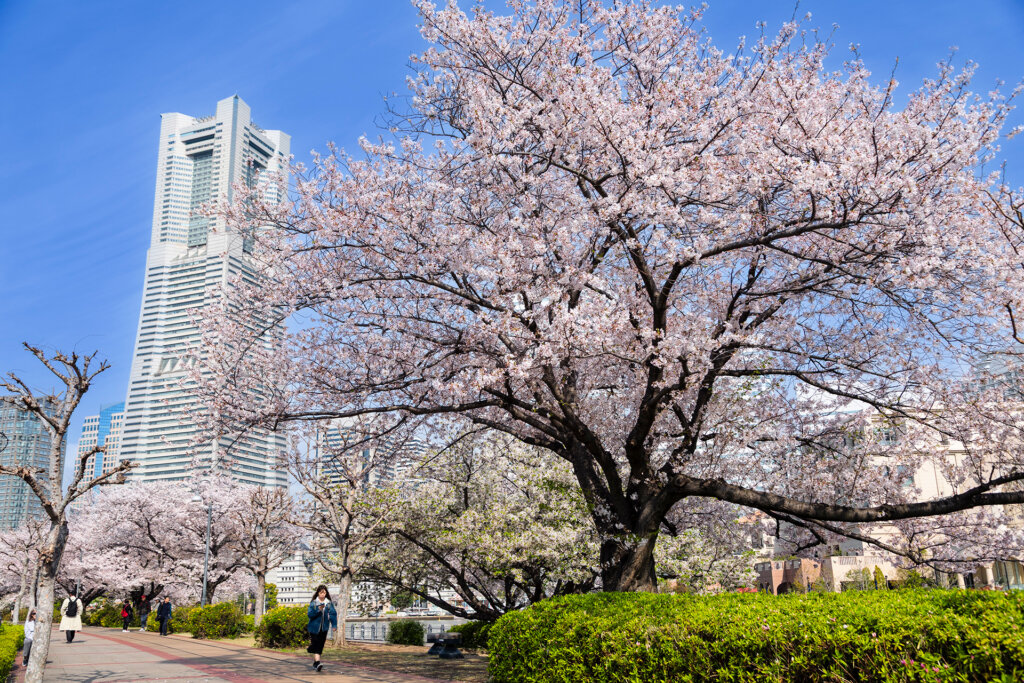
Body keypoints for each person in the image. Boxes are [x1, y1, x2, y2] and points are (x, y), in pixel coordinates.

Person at [306, 585, 337, 672]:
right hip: (314, 628)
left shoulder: (328, 603)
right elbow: (310, 615)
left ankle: (317, 663)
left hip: (324, 628)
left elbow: (333, 614)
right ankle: (315, 659)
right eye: (321, 592)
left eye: (324, 592)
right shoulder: (314, 603)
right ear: (318, 593)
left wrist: (334, 625)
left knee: (320, 645)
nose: (322, 594)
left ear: (326, 593)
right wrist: (318, 610)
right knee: (315, 643)